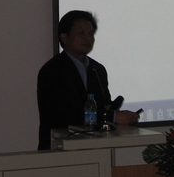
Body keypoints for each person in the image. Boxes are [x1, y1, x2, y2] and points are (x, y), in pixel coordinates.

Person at [37, 10, 140, 150]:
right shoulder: (52, 70)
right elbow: (64, 115)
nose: (88, 38)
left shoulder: (98, 69)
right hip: (59, 149)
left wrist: (114, 113)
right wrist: (112, 117)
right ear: (64, 37)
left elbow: (104, 106)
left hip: (95, 148)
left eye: (91, 34)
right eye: (81, 33)